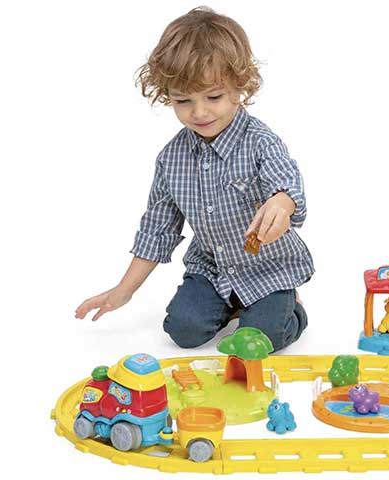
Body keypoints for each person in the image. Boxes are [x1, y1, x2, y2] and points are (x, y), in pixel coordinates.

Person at [75, 7, 314, 352]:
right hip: (213, 270)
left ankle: (291, 310)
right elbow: (157, 231)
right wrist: (122, 291)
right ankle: (233, 305)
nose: (199, 112)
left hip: (269, 270)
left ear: (239, 88)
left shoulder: (261, 142)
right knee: (183, 330)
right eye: (183, 100)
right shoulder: (171, 159)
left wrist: (282, 201)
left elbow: (287, 181)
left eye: (213, 97)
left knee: (263, 339)